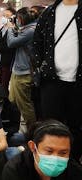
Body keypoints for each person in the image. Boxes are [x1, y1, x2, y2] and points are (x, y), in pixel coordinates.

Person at [33, 0, 82, 162]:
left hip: (78, 82)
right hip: (51, 81)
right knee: (51, 126)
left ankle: (72, 162)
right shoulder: (49, 13)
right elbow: (37, 43)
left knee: (77, 126)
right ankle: (52, 162)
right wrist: (41, 66)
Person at [2, 120, 82, 180]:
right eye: (49, 151)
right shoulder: (15, 170)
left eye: (63, 152)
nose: (56, 158)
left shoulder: (74, 170)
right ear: (33, 147)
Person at [7, 7, 36, 131]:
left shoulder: (31, 30)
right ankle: (15, 127)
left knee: (24, 104)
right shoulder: (26, 29)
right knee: (13, 100)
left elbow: (11, 43)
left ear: (21, 18)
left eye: (17, 18)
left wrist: (9, 29)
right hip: (17, 70)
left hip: (24, 73)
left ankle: (32, 132)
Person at [0, 84, 24, 160]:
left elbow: (15, 127)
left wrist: (4, 132)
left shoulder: (13, 108)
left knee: (21, 137)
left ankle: (7, 148)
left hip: (8, 136)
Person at [0, 7, 16, 93]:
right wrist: (0, 46)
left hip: (8, 62)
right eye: (3, 15)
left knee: (5, 84)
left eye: (7, 16)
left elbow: (9, 46)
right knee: (2, 83)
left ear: (12, 17)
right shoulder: (1, 30)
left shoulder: (13, 30)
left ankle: (5, 102)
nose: (4, 17)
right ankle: (3, 98)